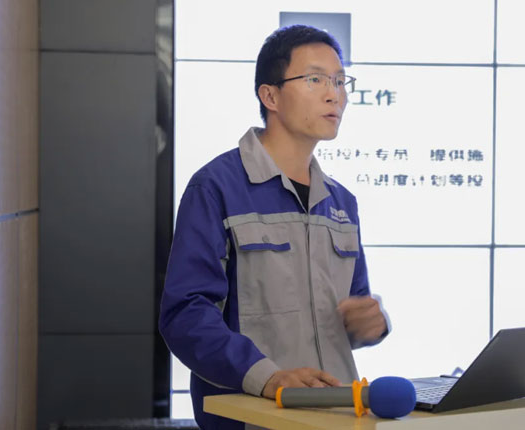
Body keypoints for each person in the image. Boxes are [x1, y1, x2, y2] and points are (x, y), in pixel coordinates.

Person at [159, 24, 390, 430]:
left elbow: (347, 313)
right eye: (316, 79)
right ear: (270, 96)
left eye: (340, 81)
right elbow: (185, 315)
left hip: (338, 417)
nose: (334, 94)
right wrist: (268, 379)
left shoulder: (342, 202)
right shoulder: (216, 187)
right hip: (255, 420)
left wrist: (370, 323)